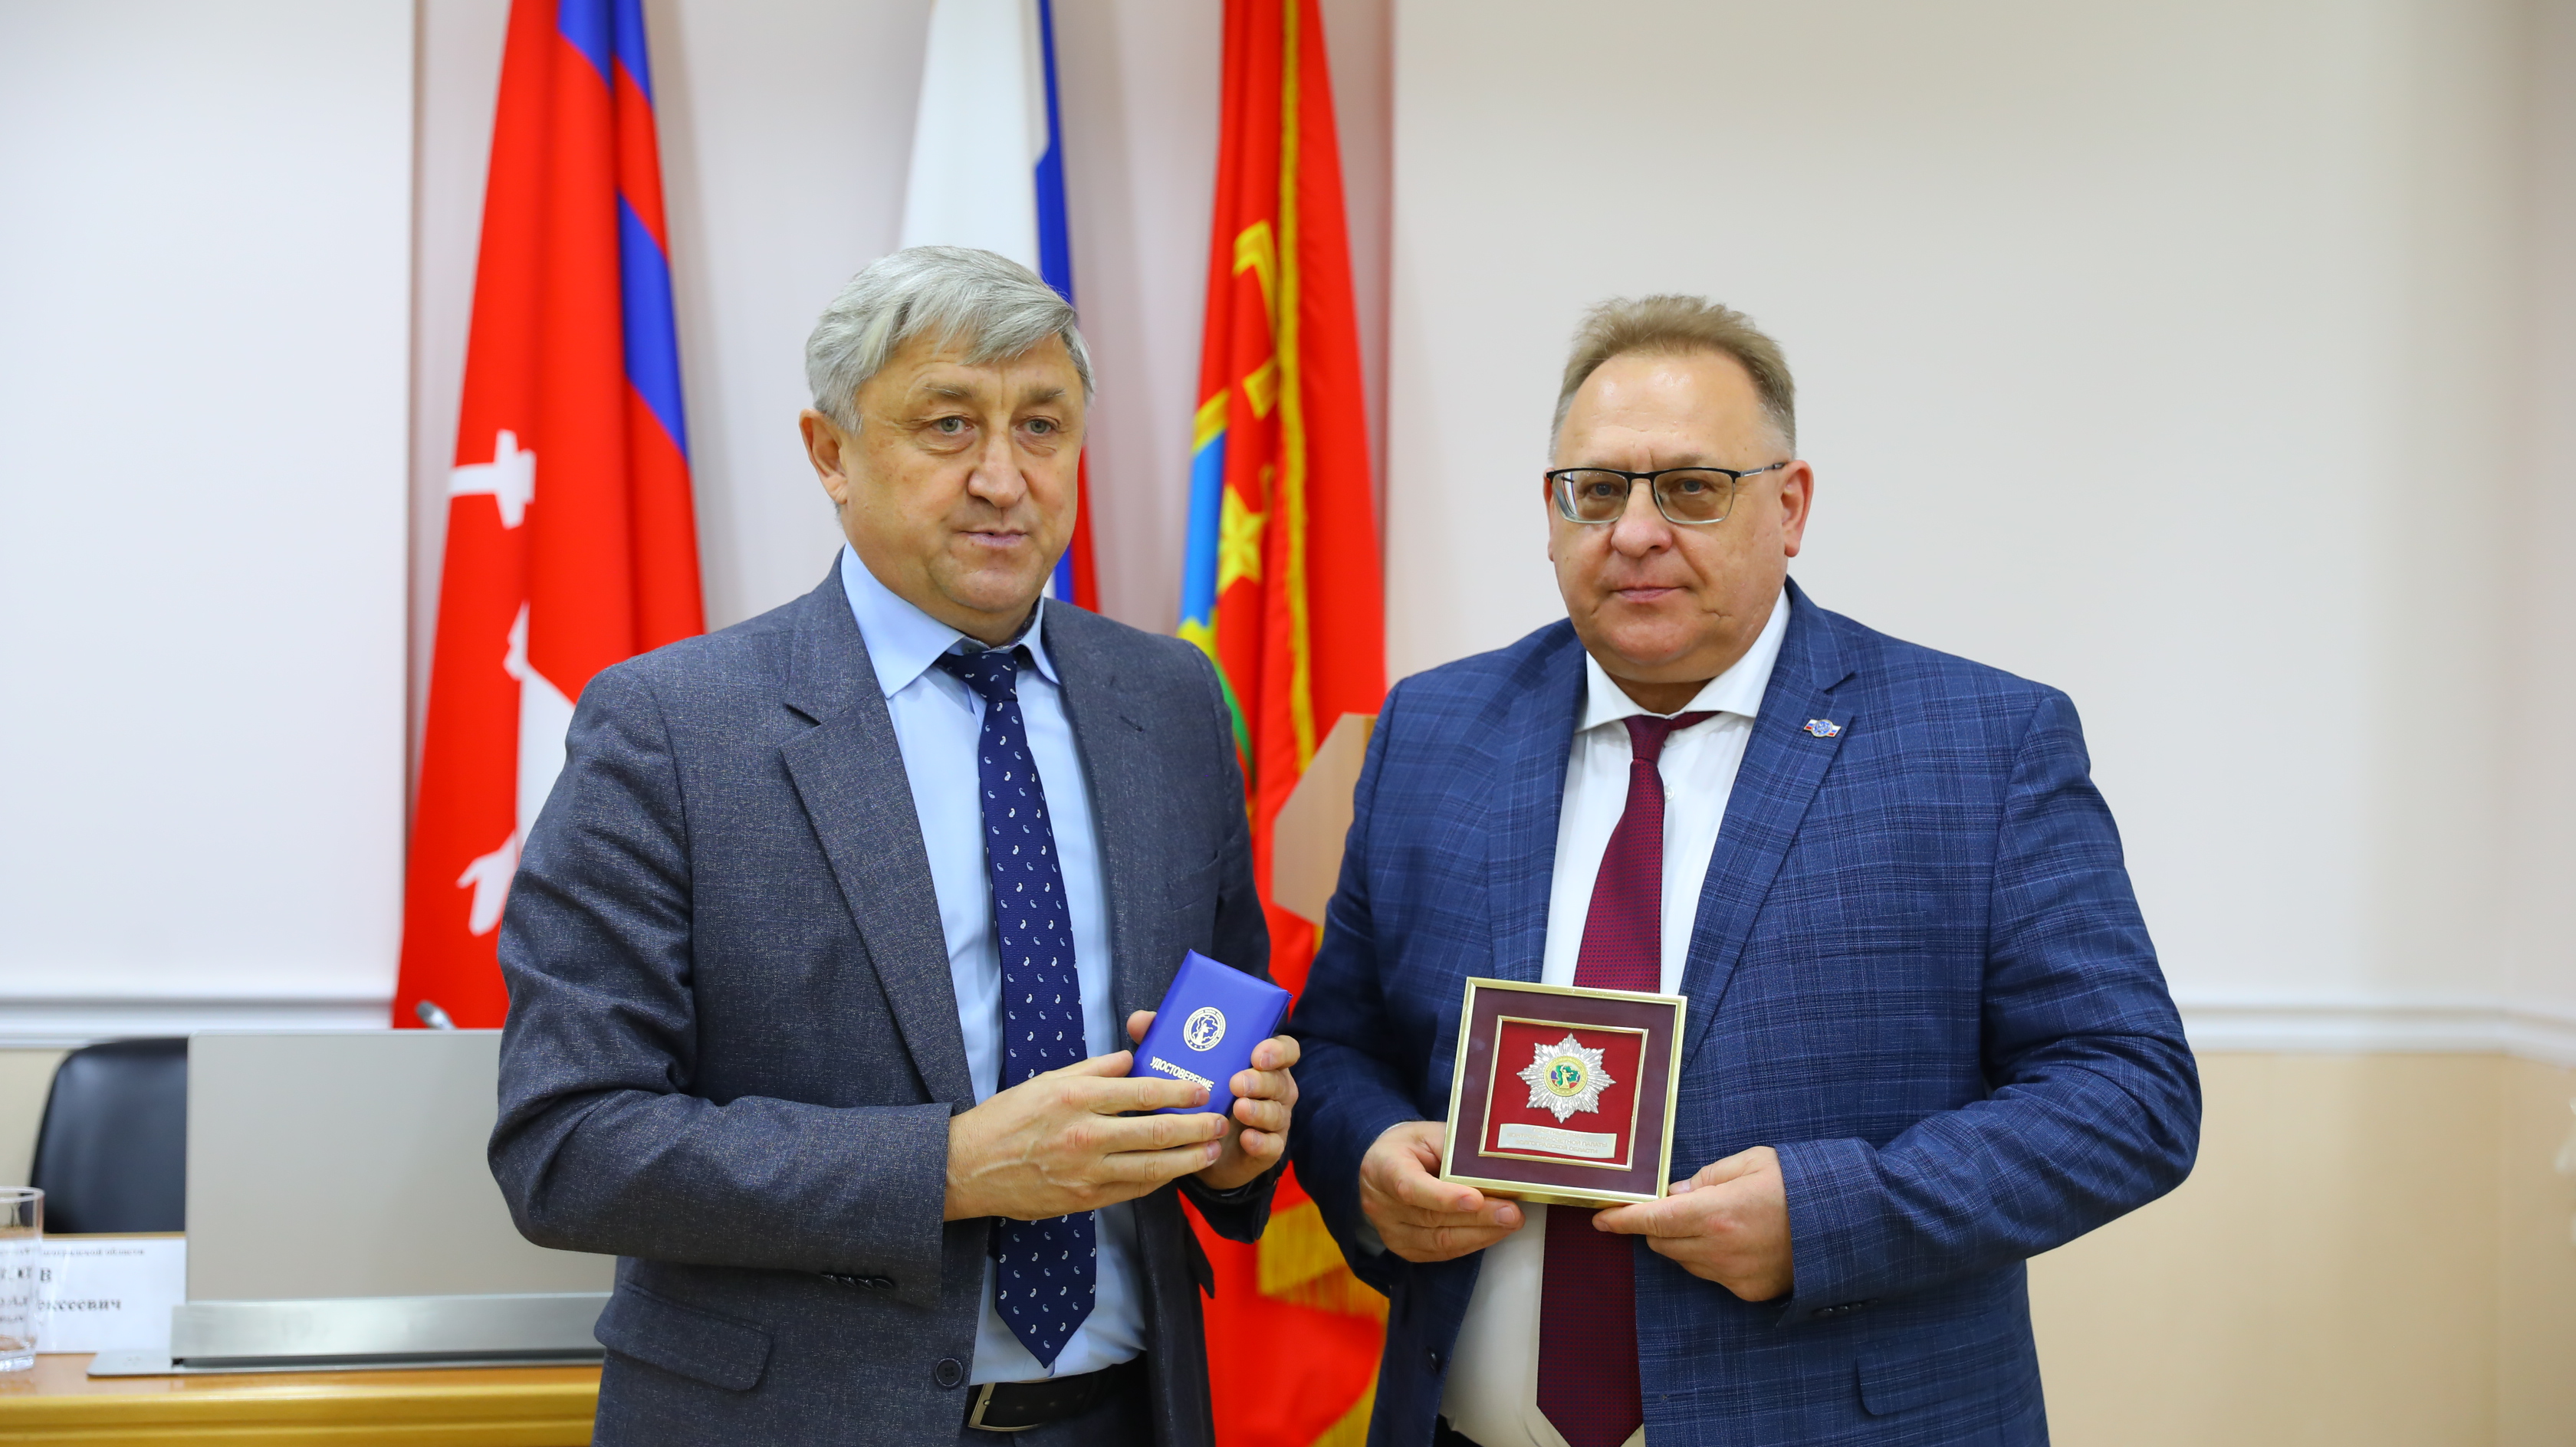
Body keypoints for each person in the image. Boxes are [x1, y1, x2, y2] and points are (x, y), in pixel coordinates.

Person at [1289, 296, 2199, 1446]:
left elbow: (2130, 1092)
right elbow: (1338, 1047)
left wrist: (1833, 1217)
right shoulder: (1433, 731)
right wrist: (1370, 1155)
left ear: (1791, 505)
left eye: (1691, 488)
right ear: (1552, 512)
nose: (1635, 532)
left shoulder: (1980, 743)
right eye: (1597, 490)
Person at [490, 246, 1296, 1447]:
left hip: (1129, 1412)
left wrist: (1235, 1147)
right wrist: (952, 1168)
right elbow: (570, 1145)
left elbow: (1225, 1031)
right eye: (947, 424)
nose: (1002, 478)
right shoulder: (672, 727)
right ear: (831, 452)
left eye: (1040, 426)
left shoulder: (1170, 701)